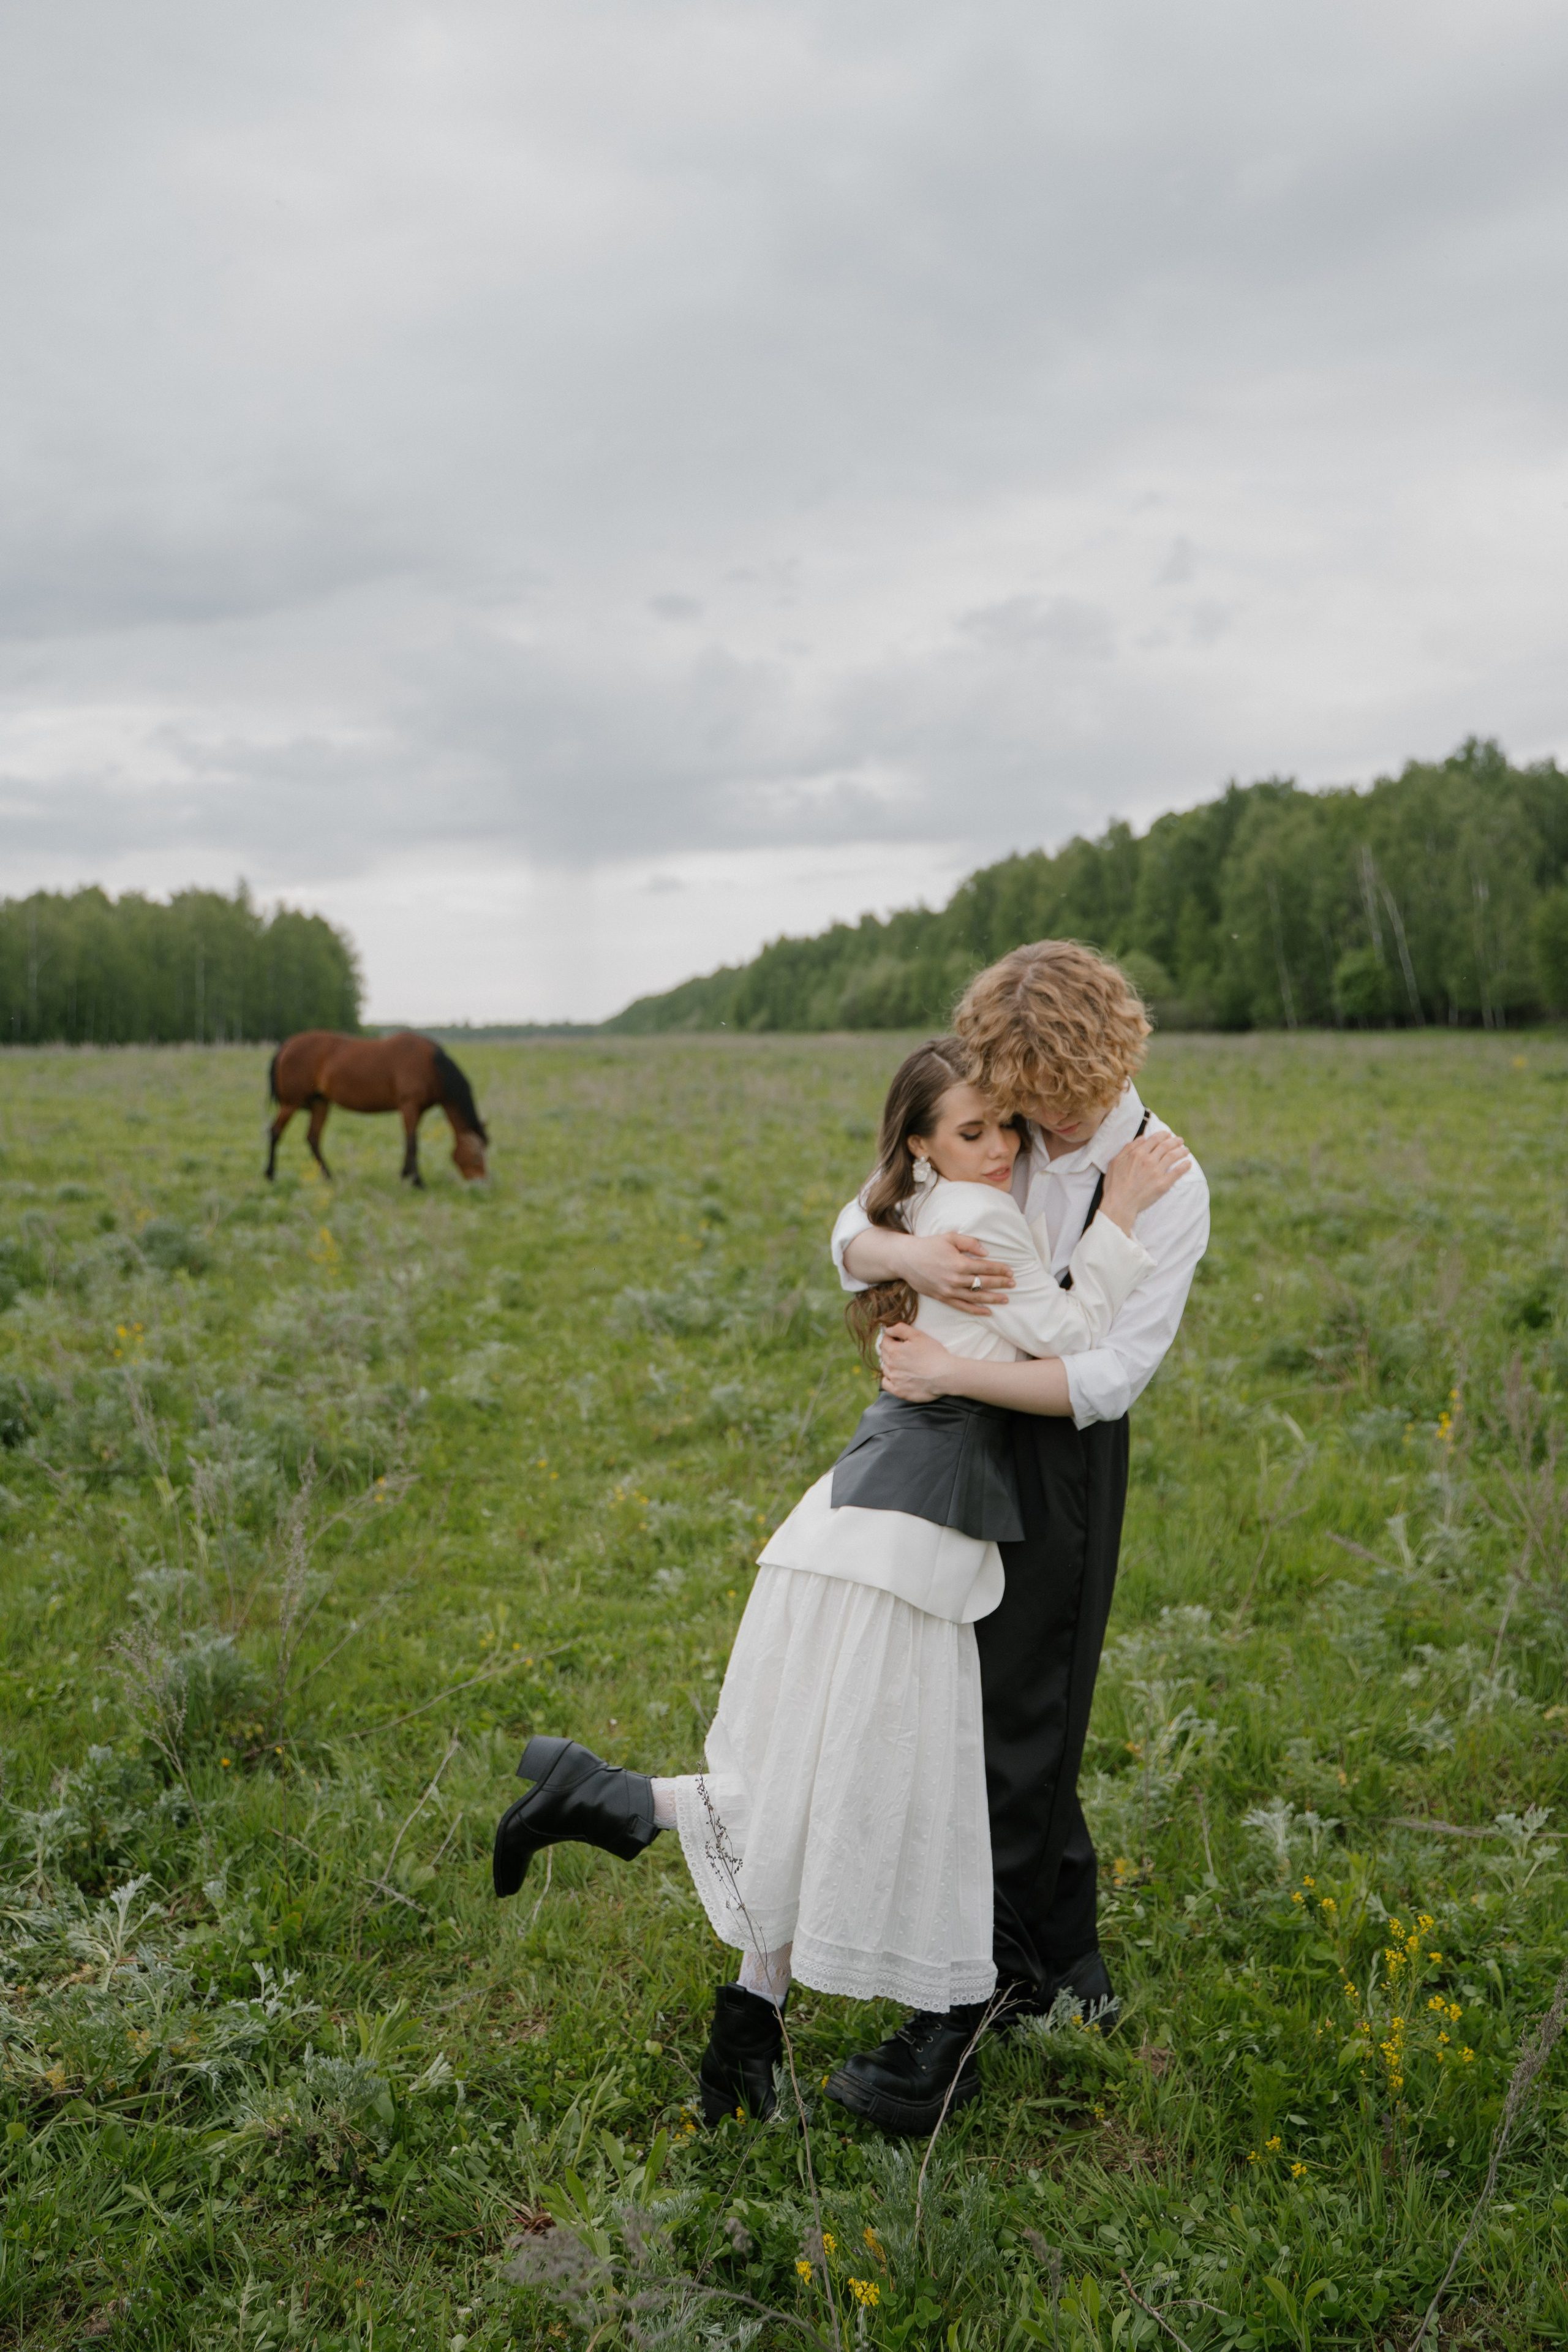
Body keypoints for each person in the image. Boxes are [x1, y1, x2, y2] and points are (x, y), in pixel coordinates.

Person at [492, 1036, 1188, 2133]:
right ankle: (618, 1807)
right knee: (886, 1789)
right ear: (921, 1142)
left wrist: (897, 1258)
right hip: (921, 1536)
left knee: (814, 1776)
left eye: (1006, 1127)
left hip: (854, 1505)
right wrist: (1119, 1221)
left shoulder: (907, 1202)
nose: (1002, 1147)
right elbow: (1081, 1333)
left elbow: (854, 1233)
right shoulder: (986, 1215)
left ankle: (735, 2046)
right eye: (975, 1131)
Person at [828, 940, 1210, 2122]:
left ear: (1109, 1060)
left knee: (1022, 1714)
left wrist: (952, 1368)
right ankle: (1066, 1972)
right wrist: (906, 1252)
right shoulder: (996, 1115)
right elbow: (854, 1225)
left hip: (1055, 1453)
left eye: (1052, 1101)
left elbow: (1103, 1379)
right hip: (950, 1442)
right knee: (958, 1698)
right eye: (1016, 1099)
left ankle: (958, 2013)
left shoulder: (1165, 1181)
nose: (1030, 1124)